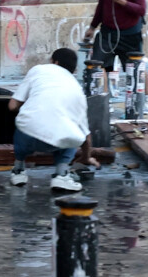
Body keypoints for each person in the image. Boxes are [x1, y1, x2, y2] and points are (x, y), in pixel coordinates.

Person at [6, 49, 89, 192]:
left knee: (24, 119)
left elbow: (12, 106)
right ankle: (61, 173)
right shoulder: (77, 88)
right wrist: (86, 157)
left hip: (27, 136)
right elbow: (86, 136)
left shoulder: (38, 70)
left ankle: (18, 169)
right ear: (74, 69)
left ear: (54, 62)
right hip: (59, 141)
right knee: (71, 128)